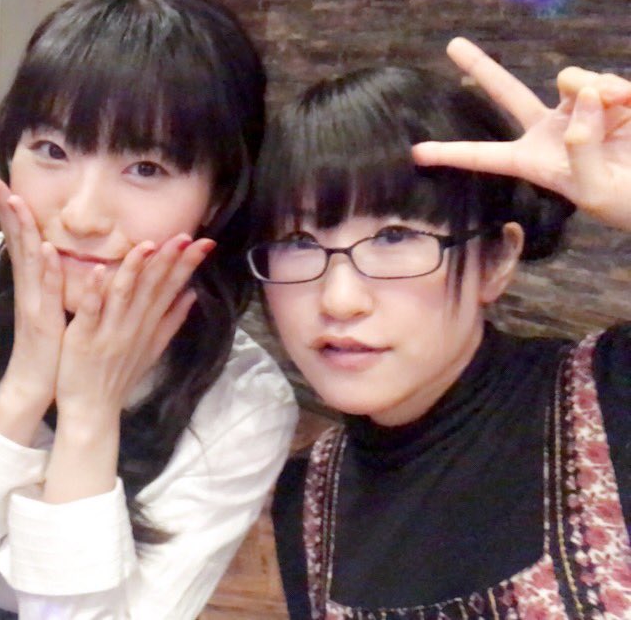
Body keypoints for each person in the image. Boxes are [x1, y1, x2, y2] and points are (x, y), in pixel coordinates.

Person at [0, 0, 299, 620]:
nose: (81, 216)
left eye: (146, 169)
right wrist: (22, 388)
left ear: (218, 199)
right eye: (51, 150)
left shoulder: (244, 401)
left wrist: (88, 415)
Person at [252, 38, 630, 619]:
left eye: (395, 236)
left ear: (496, 259)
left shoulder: (611, 399)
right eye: (298, 242)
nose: (340, 300)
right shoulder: (307, 497)